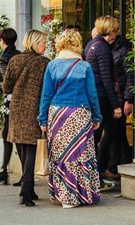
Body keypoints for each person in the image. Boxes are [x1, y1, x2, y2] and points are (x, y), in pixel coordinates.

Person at [38, 29, 102, 208]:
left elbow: (46, 95)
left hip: (58, 114)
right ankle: (83, 194)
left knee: (62, 155)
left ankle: (66, 196)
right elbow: (93, 94)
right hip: (79, 114)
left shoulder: (52, 65)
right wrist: (97, 116)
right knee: (81, 154)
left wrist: (43, 119)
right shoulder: (84, 66)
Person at [3, 29, 50, 207]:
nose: (45, 45)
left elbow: (7, 86)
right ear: (35, 43)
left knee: (23, 149)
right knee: (30, 150)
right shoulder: (45, 63)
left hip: (17, 109)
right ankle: (26, 191)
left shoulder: (15, 60)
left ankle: (28, 189)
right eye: (43, 42)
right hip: (34, 110)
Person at [83, 16, 123, 188]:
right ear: (111, 31)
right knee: (110, 132)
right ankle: (97, 173)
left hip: (93, 95)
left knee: (97, 135)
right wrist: (115, 105)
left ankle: (95, 174)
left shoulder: (91, 45)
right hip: (102, 97)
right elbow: (107, 79)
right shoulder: (104, 48)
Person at [0, 28, 22, 185]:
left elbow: (8, 82)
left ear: (2, 40)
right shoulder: (19, 54)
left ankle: (16, 174)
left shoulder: (5, 58)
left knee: (10, 135)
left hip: (10, 100)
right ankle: (5, 171)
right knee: (11, 135)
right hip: (21, 99)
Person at [108, 32, 134, 175]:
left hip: (120, 97)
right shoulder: (110, 48)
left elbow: (130, 75)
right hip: (115, 96)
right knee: (118, 133)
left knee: (116, 132)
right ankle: (121, 163)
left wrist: (128, 100)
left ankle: (115, 165)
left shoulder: (123, 50)